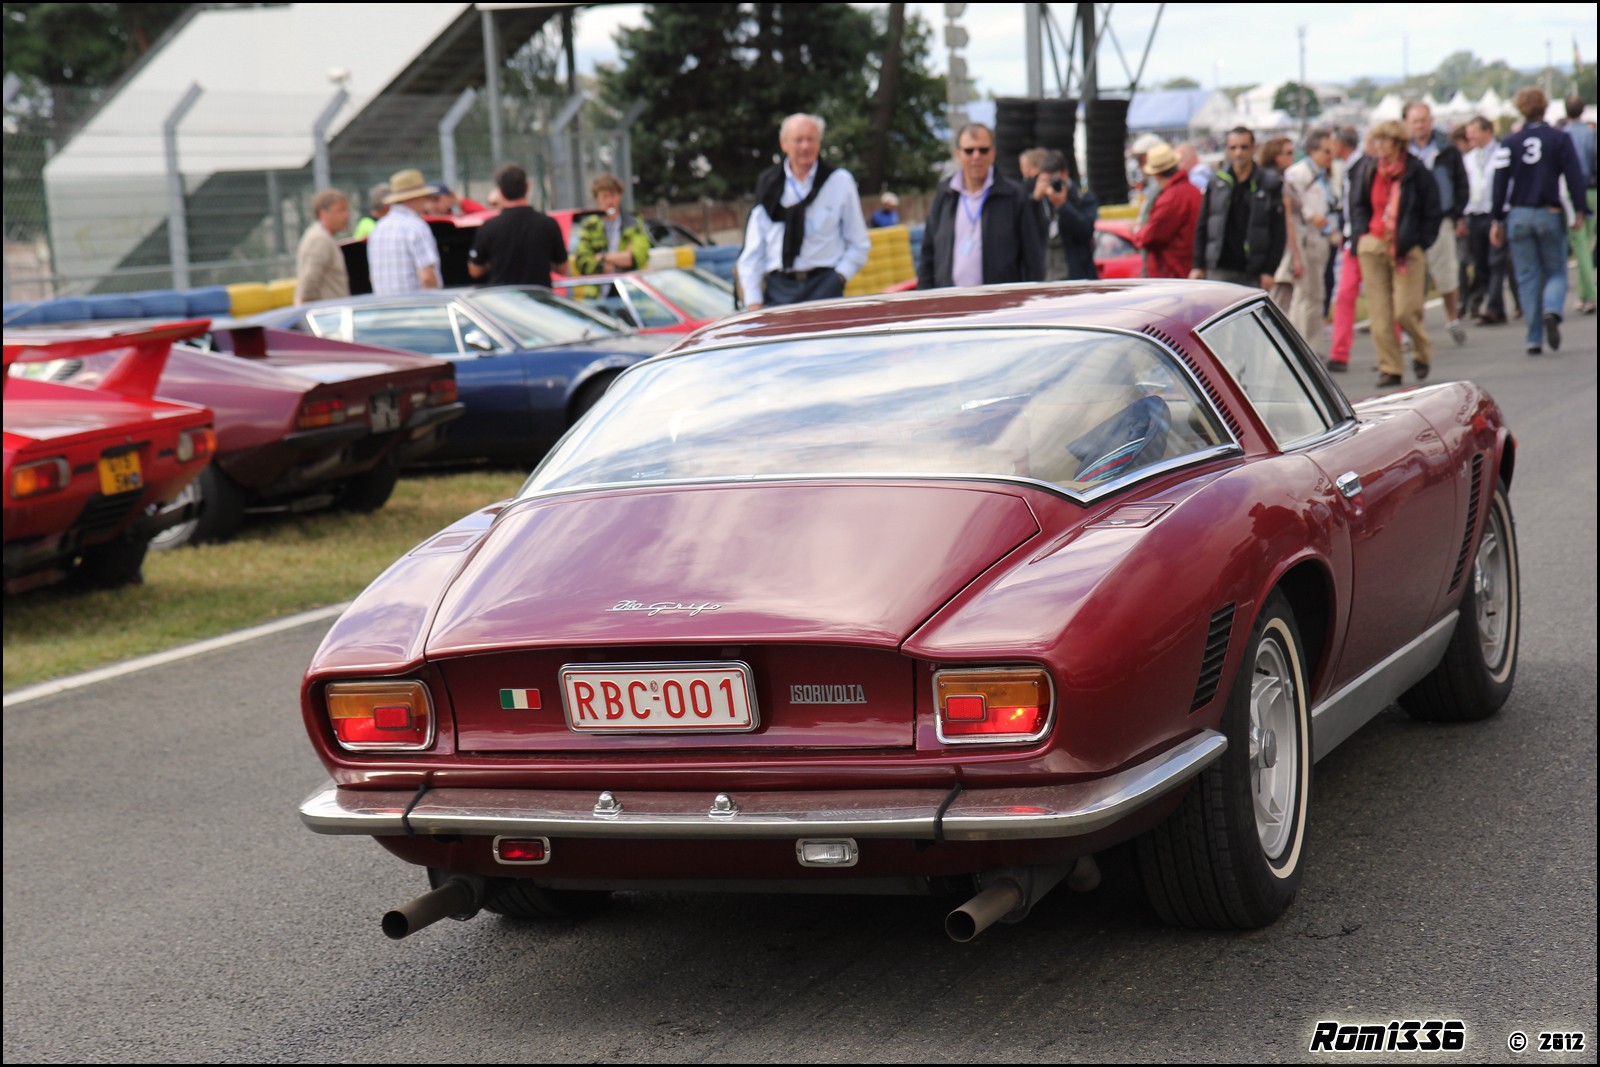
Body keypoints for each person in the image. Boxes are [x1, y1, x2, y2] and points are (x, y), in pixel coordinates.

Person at [1492, 86, 1590, 354]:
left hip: (1519, 213)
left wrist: (1497, 219)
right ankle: (1551, 309)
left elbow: (1499, 183)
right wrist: (1580, 209)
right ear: (1545, 107)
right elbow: (1573, 176)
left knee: (1527, 276)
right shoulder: (1559, 139)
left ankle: (1533, 337)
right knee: (1555, 269)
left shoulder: (1508, 143)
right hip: (1549, 211)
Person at [737, 113, 871, 309]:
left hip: (825, 286)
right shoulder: (768, 185)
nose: (805, 146)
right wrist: (753, 302)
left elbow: (859, 243)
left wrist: (839, 277)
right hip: (779, 289)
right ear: (784, 144)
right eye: (798, 140)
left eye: (811, 139)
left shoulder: (839, 181)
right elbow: (753, 252)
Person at [1348, 120, 1441, 386]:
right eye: (1376, 141)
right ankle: (1390, 367)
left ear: (1398, 143)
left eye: (1384, 141)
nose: (1378, 147)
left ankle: (1422, 351)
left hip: (1406, 247)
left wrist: (1420, 241)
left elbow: (1432, 209)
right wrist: (1361, 236)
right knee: (1380, 313)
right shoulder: (1367, 168)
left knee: (1405, 310)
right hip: (1373, 244)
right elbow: (1357, 204)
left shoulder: (1416, 170)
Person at [917, 122, 1045, 289]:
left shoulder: (1014, 196)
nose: (976, 156)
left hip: (1000, 306)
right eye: (969, 151)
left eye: (983, 150)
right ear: (958, 154)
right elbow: (928, 255)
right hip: (950, 304)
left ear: (993, 153)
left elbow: (1032, 259)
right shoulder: (945, 195)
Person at [1404, 100, 1471, 343]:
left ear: (1431, 121)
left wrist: (1457, 213)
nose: (1420, 125)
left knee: (1446, 272)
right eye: (1415, 121)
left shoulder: (1447, 148)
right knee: (1414, 275)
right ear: (1407, 124)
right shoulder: (1403, 150)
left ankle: (1452, 318)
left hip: (1441, 217)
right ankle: (1414, 328)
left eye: (1423, 120)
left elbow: (1461, 182)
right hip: (1412, 220)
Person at [1190, 127, 1286, 290]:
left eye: (1244, 147)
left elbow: (1279, 231)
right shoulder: (1217, 182)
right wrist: (1198, 264)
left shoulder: (1269, 183)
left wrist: (1270, 270)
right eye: (1233, 148)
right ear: (1227, 150)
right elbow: (1203, 225)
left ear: (1253, 147)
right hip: (1219, 267)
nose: (1238, 153)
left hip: (1253, 270)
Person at [467, 162, 567, 288]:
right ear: (527, 186)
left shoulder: (489, 227)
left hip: (503, 301)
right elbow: (562, 268)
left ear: (500, 191)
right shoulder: (548, 224)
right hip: (538, 300)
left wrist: (494, 261)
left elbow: (474, 270)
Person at [1281, 129, 1338, 352]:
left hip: (1323, 238)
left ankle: (1312, 348)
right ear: (1312, 151)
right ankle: (1301, 348)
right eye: (1326, 151)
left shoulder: (1325, 173)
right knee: (1306, 297)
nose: (1330, 156)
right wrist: (1311, 216)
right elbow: (1292, 204)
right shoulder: (1298, 173)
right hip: (1307, 239)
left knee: (1317, 296)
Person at [1462, 117, 1510, 324]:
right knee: (1481, 263)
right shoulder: (1469, 158)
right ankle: (1486, 302)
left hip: (1495, 213)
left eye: (1474, 132)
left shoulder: (1501, 153)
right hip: (1475, 214)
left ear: (1487, 131)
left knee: (1496, 261)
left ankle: (1494, 307)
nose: (1470, 136)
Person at [1131, 143, 1201, 279]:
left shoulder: (1170, 197)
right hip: (1188, 270)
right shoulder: (1193, 191)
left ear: (1156, 174)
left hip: (1172, 273)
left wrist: (1136, 231)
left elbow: (1151, 237)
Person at [367, 168, 441, 295]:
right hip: (417, 309)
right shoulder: (416, 227)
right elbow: (427, 277)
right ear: (415, 198)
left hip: (385, 309)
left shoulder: (378, 229)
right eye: (424, 196)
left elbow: (373, 277)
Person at [1327, 125, 1363, 371]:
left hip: (1365, 240)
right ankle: (1339, 353)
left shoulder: (1363, 167)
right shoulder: (1348, 169)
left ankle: (1396, 341)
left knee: (1384, 297)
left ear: (1342, 144)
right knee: (1344, 297)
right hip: (1352, 240)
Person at [1034, 150, 1098, 281]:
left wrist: (1063, 206)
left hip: (1075, 277)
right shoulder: (1039, 202)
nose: (1050, 186)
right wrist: (1034, 201)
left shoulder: (1082, 198)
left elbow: (1086, 232)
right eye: (1045, 180)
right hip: (1044, 279)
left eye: (1053, 180)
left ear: (1065, 174)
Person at [1559, 95, 1597, 314]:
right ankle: (1584, 294)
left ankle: (1590, 295)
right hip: (1593, 189)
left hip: (1573, 193)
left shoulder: (1563, 136)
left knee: (1580, 245)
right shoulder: (1591, 133)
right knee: (1587, 243)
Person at [573, 173, 650, 275]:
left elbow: (639, 256)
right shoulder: (589, 226)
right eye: (605, 197)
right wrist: (620, 259)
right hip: (598, 288)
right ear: (597, 198)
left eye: (613, 195)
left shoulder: (633, 222)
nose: (610, 201)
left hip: (627, 284)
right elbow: (582, 262)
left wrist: (602, 257)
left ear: (620, 196)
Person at [1261, 136, 1304, 311]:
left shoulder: (1266, 178)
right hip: (1283, 248)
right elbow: (1287, 220)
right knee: (1279, 305)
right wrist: (1296, 256)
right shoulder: (1277, 183)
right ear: (1275, 155)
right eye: (1288, 153)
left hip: (1273, 246)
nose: (1292, 156)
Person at [295, 188, 351, 304]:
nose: (346, 216)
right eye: (340, 210)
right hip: (326, 314)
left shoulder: (321, 236)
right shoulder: (320, 239)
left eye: (346, 210)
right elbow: (310, 280)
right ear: (323, 213)